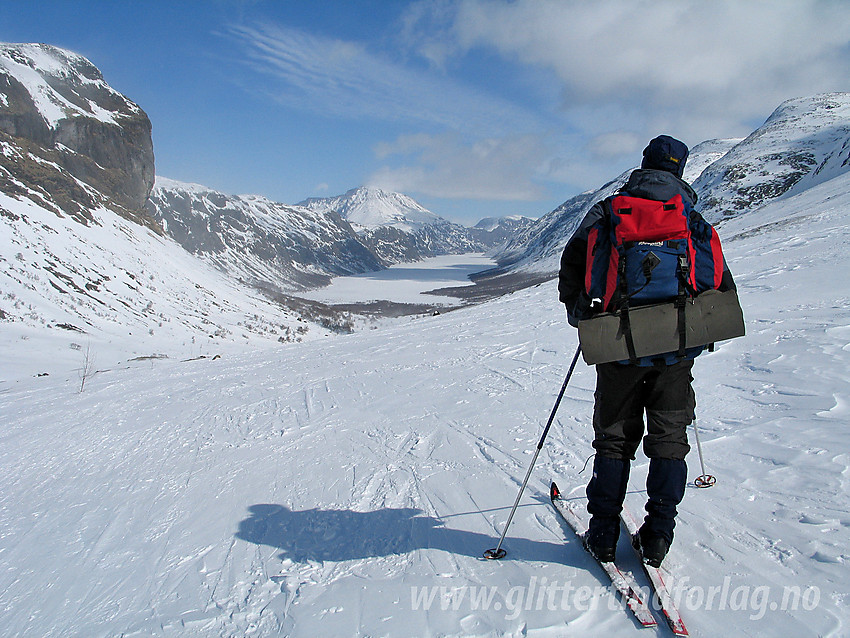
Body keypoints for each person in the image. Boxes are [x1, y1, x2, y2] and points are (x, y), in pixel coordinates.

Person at [557, 135, 736, 567]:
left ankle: (601, 534)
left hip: (618, 346)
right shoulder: (691, 218)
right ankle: (657, 537)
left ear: (644, 164)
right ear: (680, 170)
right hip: (675, 350)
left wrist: (581, 314)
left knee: (614, 441)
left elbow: (573, 266)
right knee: (670, 440)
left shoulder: (609, 212)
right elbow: (719, 284)